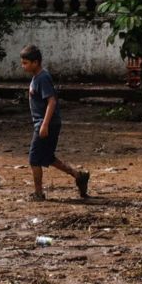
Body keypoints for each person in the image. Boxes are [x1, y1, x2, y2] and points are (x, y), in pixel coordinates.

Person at [20, 44, 89, 201]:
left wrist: (44, 125)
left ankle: (38, 193)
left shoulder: (43, 78)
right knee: (48, 157)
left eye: (25, 63)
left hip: (45, 124)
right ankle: (79, 176)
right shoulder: (37, 77)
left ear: (35, 62)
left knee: (34, 159)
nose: (23, 66)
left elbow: (52, 101)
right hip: (46, 123)